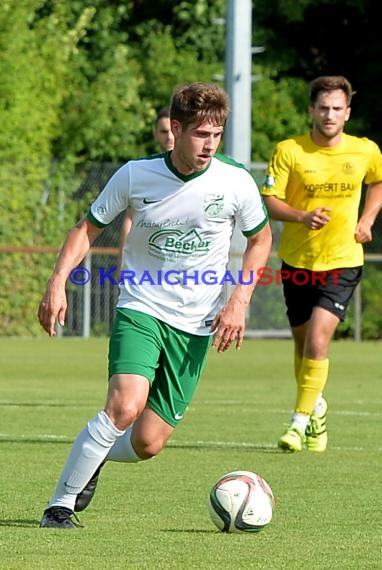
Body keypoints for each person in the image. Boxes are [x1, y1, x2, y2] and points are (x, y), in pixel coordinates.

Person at [38, 82, 272, 528]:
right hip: (141, 307)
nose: (209, 144)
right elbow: (87, 228)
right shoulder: (134, 175)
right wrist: (57, 281)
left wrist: (240, 298)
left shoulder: (234, 180)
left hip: (198, 323)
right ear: (176, 129)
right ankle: (60, 505)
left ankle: (95, 454)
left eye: (216, 135)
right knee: (124, 407)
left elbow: (260, 238)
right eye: (201, 134)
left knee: (148, 442)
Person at [260, 75, 382, 453]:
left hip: (343, 261)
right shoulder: (290, 151)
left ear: (347, 113)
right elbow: (270, 199)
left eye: (337, 108)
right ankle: (316, 409)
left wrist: (367, 220)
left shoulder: (364, 151)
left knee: (318, 340)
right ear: (310, 110)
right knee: (303, 348)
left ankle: (297, 424)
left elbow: (380, 182)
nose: (329, 114)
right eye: (323, 107)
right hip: (298, 261)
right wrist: (301, 217)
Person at [115, 106, 175, 279]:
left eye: (172, 130)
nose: (169, 137)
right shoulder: (143, 172)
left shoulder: (201, 172)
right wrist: (122, 261)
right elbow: (130, 217)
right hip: (146, 266)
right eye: (164, 131)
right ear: (155, 133)